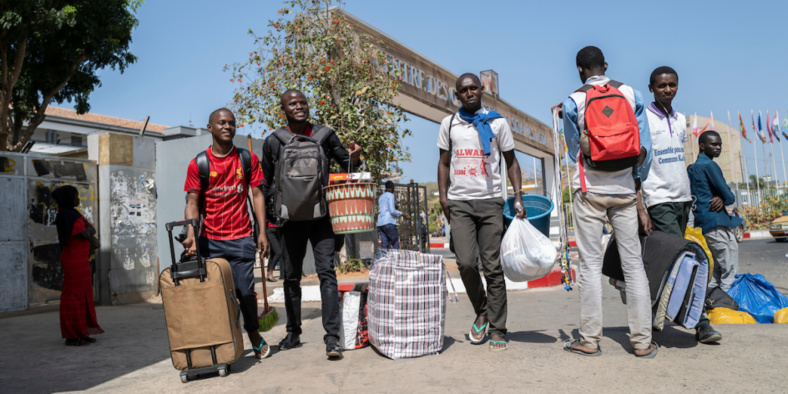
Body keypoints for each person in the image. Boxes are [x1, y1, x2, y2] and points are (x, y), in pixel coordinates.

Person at [555, 46, 657, 358]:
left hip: (590, 191)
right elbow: (645, 148)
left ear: (580, 69)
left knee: (589, 265)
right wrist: (634, 181)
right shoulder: (631, 94)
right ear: (606, 65)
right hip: (625, 191)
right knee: (634, 266)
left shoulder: (574, 100)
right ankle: (641, 341)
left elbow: (575, 149)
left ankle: (589, 339)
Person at [261, 89, 361, 359]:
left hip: (322, 218)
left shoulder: (325, 135)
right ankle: (293, 332)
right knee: (290, 277)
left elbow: (348, 166)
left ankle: (332, 338)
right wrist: (274, 216)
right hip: (289, 221)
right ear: (284, 110)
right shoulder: (273, 141)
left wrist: (356, 156)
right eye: (292, 104)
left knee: (326, 273)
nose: (299, 106)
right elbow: (265, 182)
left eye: (303, 102)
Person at [437, 73, 526, 352]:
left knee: (492, 267)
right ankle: (483, 310)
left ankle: (498, 329)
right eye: (463, 90)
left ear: (482, 90)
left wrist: (518, 195)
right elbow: (443, 163)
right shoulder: (449, 124)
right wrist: (443, 197)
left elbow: (511, 162)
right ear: (457, 95)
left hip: (490, 202)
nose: (469, 93)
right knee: (465, 262)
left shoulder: (497, 122)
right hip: (460, 203)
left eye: (474, 87)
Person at [640, 66, 722, 344]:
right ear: (651, 88)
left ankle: (653, 315)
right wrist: (641, 204)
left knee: (668, 262)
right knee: (683, 262)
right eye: (662, 85)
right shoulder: (644, 119)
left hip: (682, 200)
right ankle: (701, 323)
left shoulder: (679, 119)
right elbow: (639, 163)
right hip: (659, 200)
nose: (667, 90)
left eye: (672, 85)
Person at [182, 108, 271, 359]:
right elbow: (192, 201)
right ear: (210, 128)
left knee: (245, 293)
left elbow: (257, 195)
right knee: (215, 297)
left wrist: (262, 232)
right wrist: (191, 232)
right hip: (209, 241)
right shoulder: (199, 163)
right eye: (221, 123)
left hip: (241, 237)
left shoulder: (247, 159)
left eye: (231, 123)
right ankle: (222, 343)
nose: (227, 126)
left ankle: (253, 333)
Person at [687, 130, 743, 292]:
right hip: (717, 223)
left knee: (716, 271)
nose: (718, 148)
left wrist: (720, 196)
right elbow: (729, 196)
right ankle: (727, 309)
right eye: (714, 144)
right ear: (702, 146)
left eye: (720, 144)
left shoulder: (692, 168)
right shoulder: (709, 165)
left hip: (704, 224)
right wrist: (723, 197)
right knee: (729, 272)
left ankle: (712, 307)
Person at [53, 185, 104, 346]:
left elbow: (91, 230)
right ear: (68, 198)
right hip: (73, 260)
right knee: (73, 297)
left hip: (80, 260)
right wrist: (87, 232)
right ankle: (72, 335)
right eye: (75, 196)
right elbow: (84, 232)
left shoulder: (73, 214)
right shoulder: (67, 215)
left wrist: (87, 232)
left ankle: (83, 331)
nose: (78, 199)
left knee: (84, 296)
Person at [377, 181, 408, 250]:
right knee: (395, 243)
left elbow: (385, 210)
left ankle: (384, 260)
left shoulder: (381, 197)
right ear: (391, 188)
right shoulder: (390, 195)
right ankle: (396, 259)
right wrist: (402, 213)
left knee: (384, 245)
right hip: (389, 222)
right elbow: (392, 211)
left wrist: (397, 214)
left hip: (381, 223)